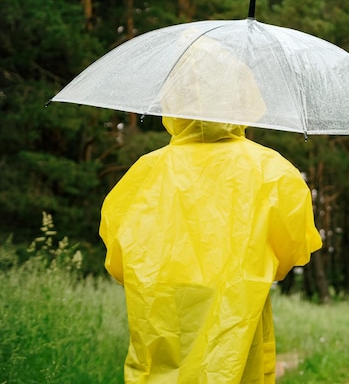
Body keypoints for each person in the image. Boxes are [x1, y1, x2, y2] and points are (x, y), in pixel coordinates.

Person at [100, 116, 322, 384]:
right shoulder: (271, 169)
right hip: (238, 312)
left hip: (163, 314)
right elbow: (291, 252)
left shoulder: (146, 171)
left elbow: (118, 262)